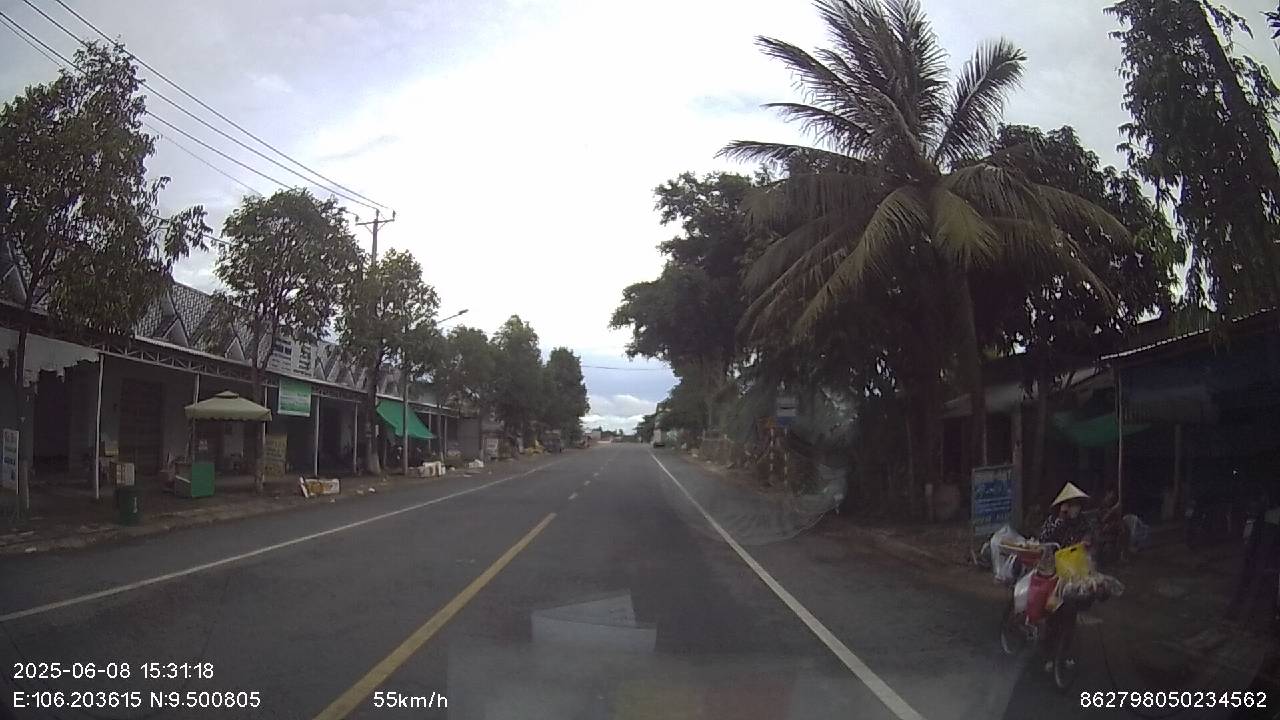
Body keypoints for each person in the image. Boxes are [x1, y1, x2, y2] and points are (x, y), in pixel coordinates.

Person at [1039, 482, 1096, 547]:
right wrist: (1061, 518)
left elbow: (1088, 535)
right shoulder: (1052, 519)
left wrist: (1086, 541)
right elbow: (1043, 539)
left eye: (1077, 504)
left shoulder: (1083, 521)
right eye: (1072, 504)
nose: (1076, 508)